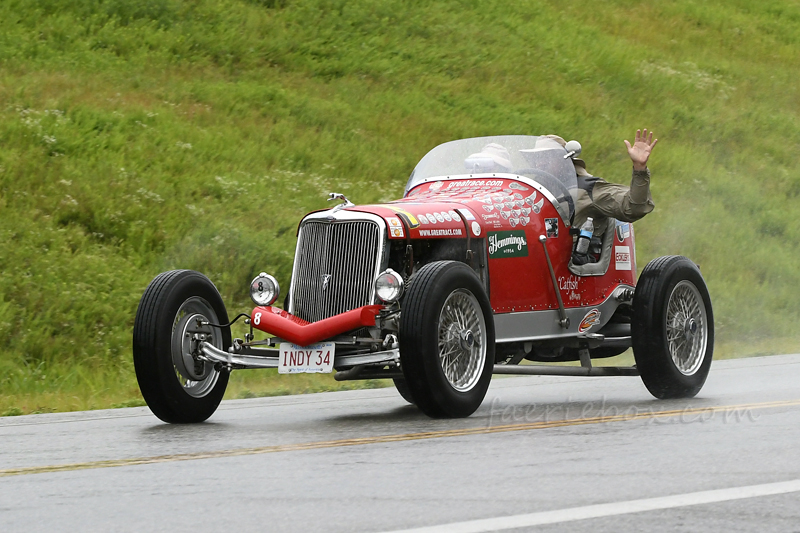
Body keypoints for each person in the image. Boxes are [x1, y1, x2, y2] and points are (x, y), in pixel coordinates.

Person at [546, 129, 658, 241]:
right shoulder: (534, 191)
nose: (541, 162)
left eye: (548, 157)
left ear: (565, 159)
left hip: (573, 255)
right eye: (538, 157)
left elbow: (633, 208)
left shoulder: (588, 189)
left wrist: (639, 169)